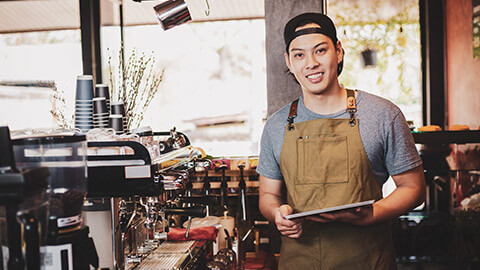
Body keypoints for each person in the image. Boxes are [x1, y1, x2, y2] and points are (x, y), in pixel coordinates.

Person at [256, 12, 425, 269]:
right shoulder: (276, 125)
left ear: (338, 51)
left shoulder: (382, 115)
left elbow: (414, 188)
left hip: (368, 260)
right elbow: (268, 194)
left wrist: (372, 215)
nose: (311, 63)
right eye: (299, 55)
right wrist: (277, 214)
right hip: (300, 262)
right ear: (289, 62)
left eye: (320, 50)